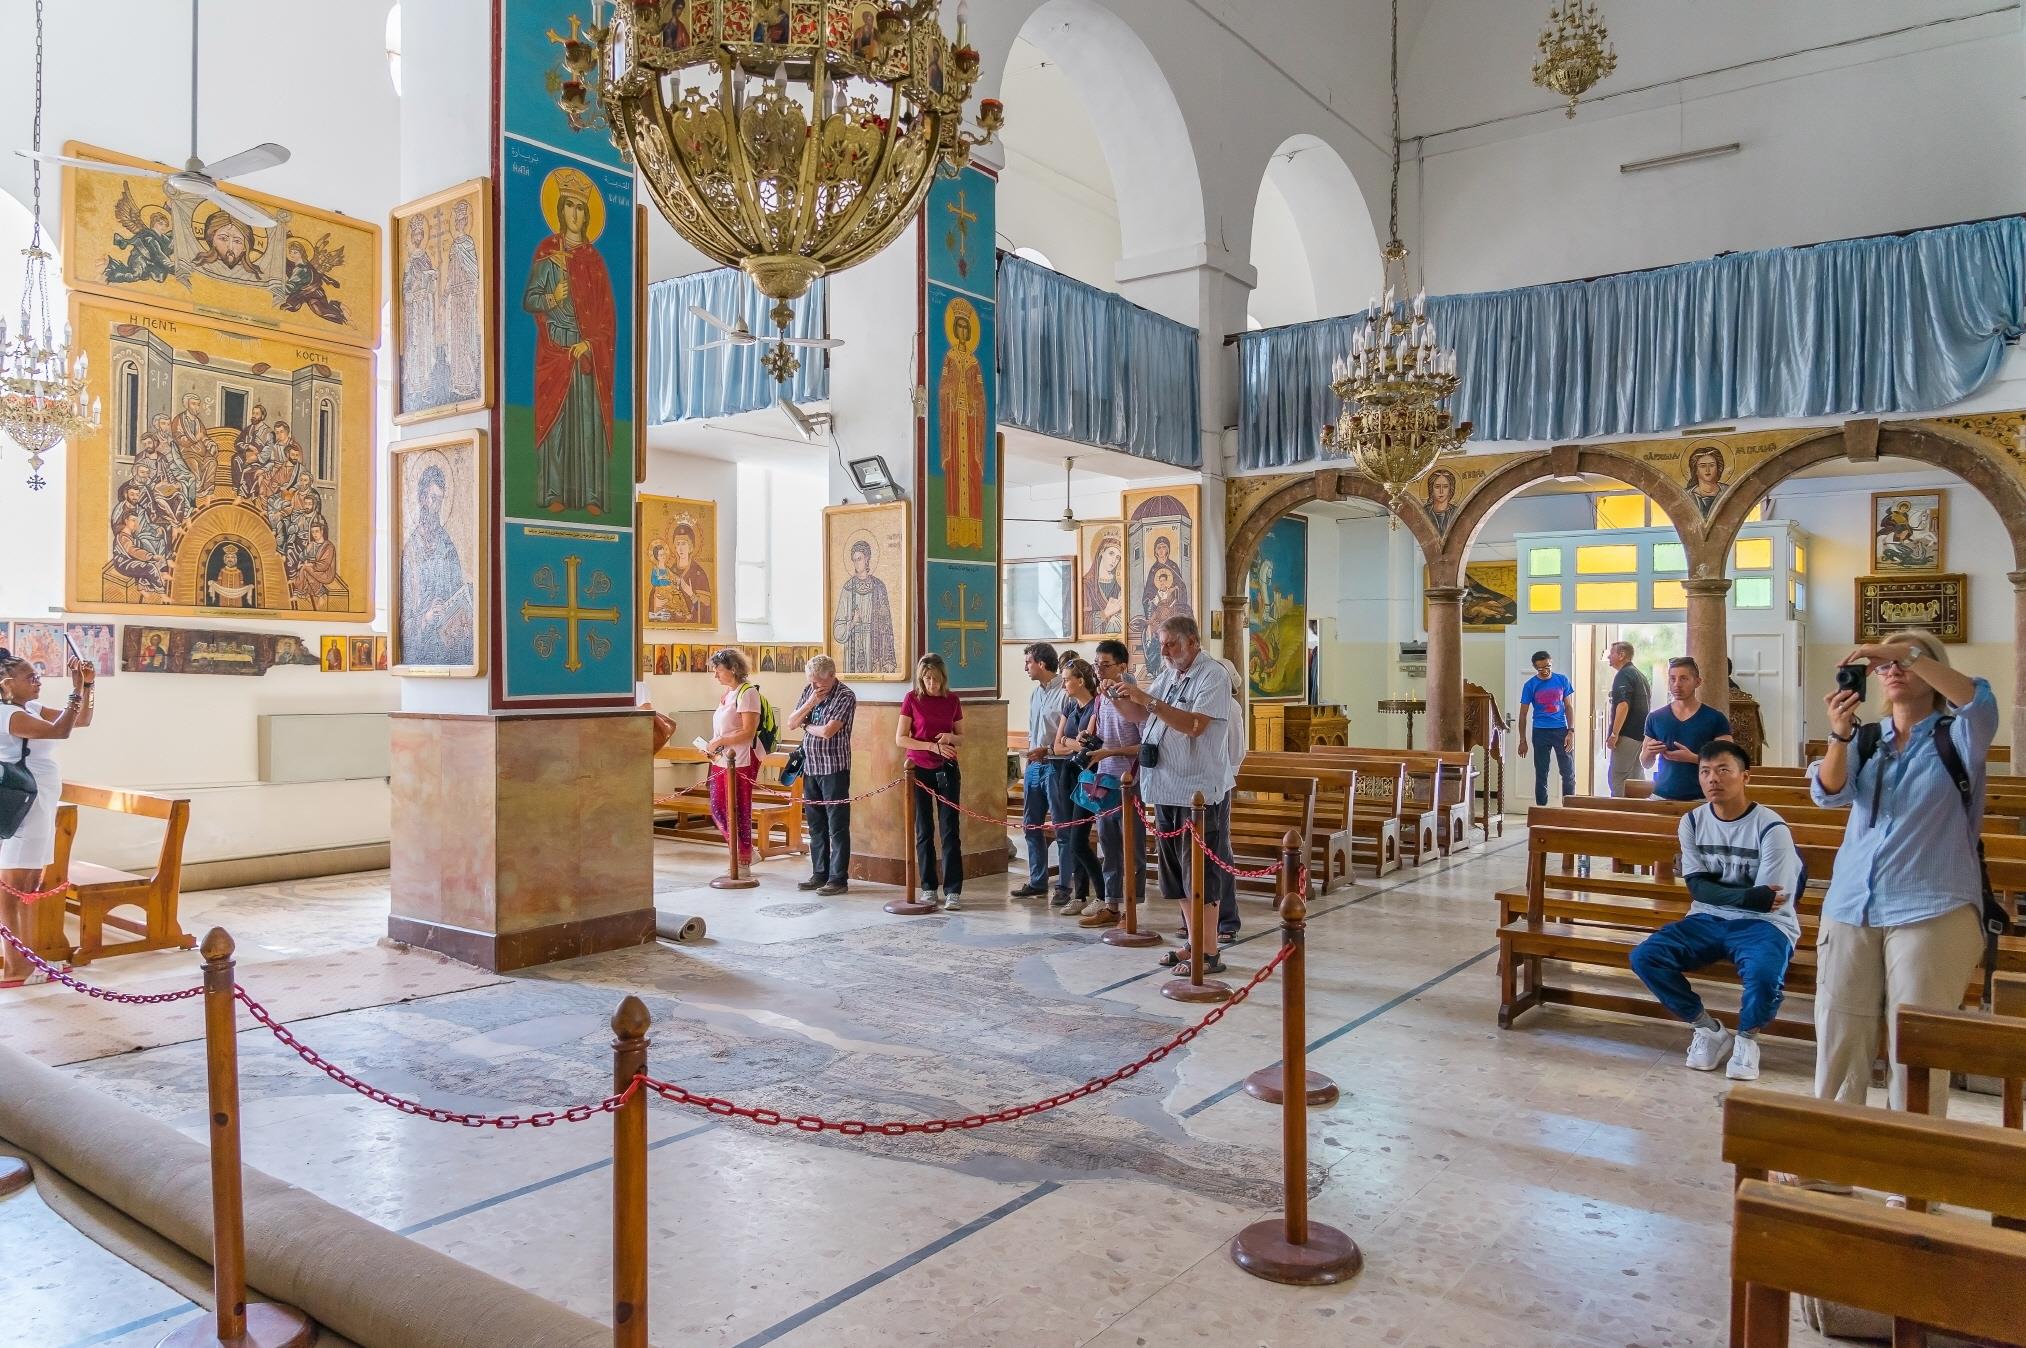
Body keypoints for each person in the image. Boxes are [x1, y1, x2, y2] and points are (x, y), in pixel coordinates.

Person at [1810, 632, 1997, 1115]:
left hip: (1932, 908)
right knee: (1838, 1041)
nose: (1892, 669)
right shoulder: (1868, 738)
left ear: (1933, 670)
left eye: (1906, 662)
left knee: (1916, 1050)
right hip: (1852, 904)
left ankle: (1909, 1161)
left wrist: (1904, 652)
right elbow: (1829, 793)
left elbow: (1980, 702)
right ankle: (1830, 1152)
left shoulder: (1958, 736)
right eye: (1883, 664)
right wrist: (1839, 733)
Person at [1627, 741, 1802, 1082]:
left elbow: (1768, 901)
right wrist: (1744, 896)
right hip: (1705, 917)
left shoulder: (1771, 827)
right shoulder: (1692, 822)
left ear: (1745, 776)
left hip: (1765, 924)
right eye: (1705, 771)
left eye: (1723, 770)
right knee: (1645, 957)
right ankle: (1708, 1029)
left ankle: (1747, 1039)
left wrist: (1723, 893)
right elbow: (1699, 889)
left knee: (1764, 974)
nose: (1713, 779)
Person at [1103, 615, 1241, 970]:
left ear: (1193, 642)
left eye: (1171, 644)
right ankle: (1194, 943)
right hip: (1164, 787)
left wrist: (1147, 700)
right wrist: (1117, 698)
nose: (1163, 651)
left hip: (1198, 792)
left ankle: (1208, 952)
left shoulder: (1213, 676)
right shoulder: (1169, 675)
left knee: (1201, 875)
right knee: (1177, 875)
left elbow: (1194, 725)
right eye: (1161, 644)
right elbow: (1141, 716)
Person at [0, 649, 94, 985]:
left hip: (39, 801)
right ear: (7, 684)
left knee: (26, 886)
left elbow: (81, 720)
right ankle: (16, 968)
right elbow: (60, 731)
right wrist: (75, 689)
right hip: (25, 802)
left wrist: (86, 686)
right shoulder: (7, 714)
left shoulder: (30, 708)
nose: (38, 681)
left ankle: (27, 960)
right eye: (30, 677)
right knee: (12, 889)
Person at [1085, 639, 1145, 926]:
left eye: (1105, 665)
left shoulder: (1135, 698)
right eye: (1096, 664)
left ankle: (1131, 909)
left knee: (1131, 849)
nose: (1099, 670)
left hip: (1130, 781)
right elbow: (1101, 733)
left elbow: (1146, 745)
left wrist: (1110, 752)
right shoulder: (1101, 697)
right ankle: (1111, 905)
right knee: (1108, 847)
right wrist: (1088, 740)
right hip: (1104, 780)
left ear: (1122, 666)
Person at [898, 654, 964, 911]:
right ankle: (928, 887)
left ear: (943, 678)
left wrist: (950, 737)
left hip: (947, 769)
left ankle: (953, 890)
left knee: (950, 830)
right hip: (919, 769)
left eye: (936, 679)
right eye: (927, 679)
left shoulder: (952, 700)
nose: (932, 684)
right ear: (921, 679)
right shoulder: (912, 699)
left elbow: (961, 737)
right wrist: (930, 746)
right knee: (923, 830)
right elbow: (901, 738)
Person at [786, 655, 856, 896]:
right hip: (811, 767)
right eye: (811, 681)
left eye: (818, 681)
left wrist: (806, 726)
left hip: (834, 768)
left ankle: (838, 879)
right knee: (816, 825)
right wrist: (810, 703)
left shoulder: (845, 695)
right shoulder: (810, 692)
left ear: (832, 676)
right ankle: (819, 874)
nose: (814, 685)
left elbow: (828, 731)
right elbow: (791, 723)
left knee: (837, 826)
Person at [1049, 659, 1108, 919]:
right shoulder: (1070, 707)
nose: (1063, 684)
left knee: (1078, 841)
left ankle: (1103, 895)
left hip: (1089, 778)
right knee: (1072, 838)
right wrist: (1070, 742)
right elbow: (1057, 746)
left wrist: (1069, 742)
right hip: (1068, 774)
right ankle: (1080, 895)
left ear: (1081, 681)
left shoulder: (1096, 706)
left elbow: (1088, 748)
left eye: (1066, 679)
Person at [1010, 643, 1068, 904]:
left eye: (1028, 662)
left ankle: (1064, 886)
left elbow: (1068, 734)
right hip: (1034, 766)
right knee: (1031, 825)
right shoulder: (1035, 694)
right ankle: (1037, 881)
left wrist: (1047, 750)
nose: (1025, 667)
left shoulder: (1064, 693)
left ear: (1041, 664)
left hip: (1056, 765)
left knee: (1062, 827)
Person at [1642, 657, 1733, 801]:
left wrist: (1692, 758)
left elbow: (1728, 762)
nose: (1677, 684)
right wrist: (1650, 752)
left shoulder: (1715, 718)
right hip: (1661, 796)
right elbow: (1645, 763)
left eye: (1683, 679)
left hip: (1702, 797)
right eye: (1672, 679)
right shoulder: (1655, 717)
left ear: (1697, 682)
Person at [703, 649, 762, 867]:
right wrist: (712, 745)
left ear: (733, 669)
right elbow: (724, 728)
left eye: (718, 670)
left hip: (741, 759)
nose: (715, 675)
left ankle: (743, 859)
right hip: (722, 758)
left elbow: (748, 732)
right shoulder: (728, 693)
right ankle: (744, 852)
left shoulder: (748, 693)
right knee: (718, 808)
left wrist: (720, 741)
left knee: (738, 808)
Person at [1516, 650, 1575, 806]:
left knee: (1568, 772)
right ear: (1535, 668)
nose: (1545, 671)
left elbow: (1569, 707)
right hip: (1540, 732)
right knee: (1542, 772)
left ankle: (1569, 809)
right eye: (1540, 668)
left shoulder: (1562, 680)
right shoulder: (1530, 685)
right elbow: (1522, 714)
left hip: (1561, 730)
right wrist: (1522, 740)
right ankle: (1542, 809)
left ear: (1551, 663)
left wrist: (1571, 731)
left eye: (1548, 666)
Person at [1604, 641, 1651, 796]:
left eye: (1612, 653)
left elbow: (1623, 705)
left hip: (1627, 735)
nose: (1609, 656)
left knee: (1618, 778)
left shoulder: (1624, 675)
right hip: (1641, 736)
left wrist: (1614, 734)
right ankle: (1638, 809)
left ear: (1621, 655)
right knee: (1636, 778)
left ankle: (1619, 810)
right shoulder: (1640, 675)